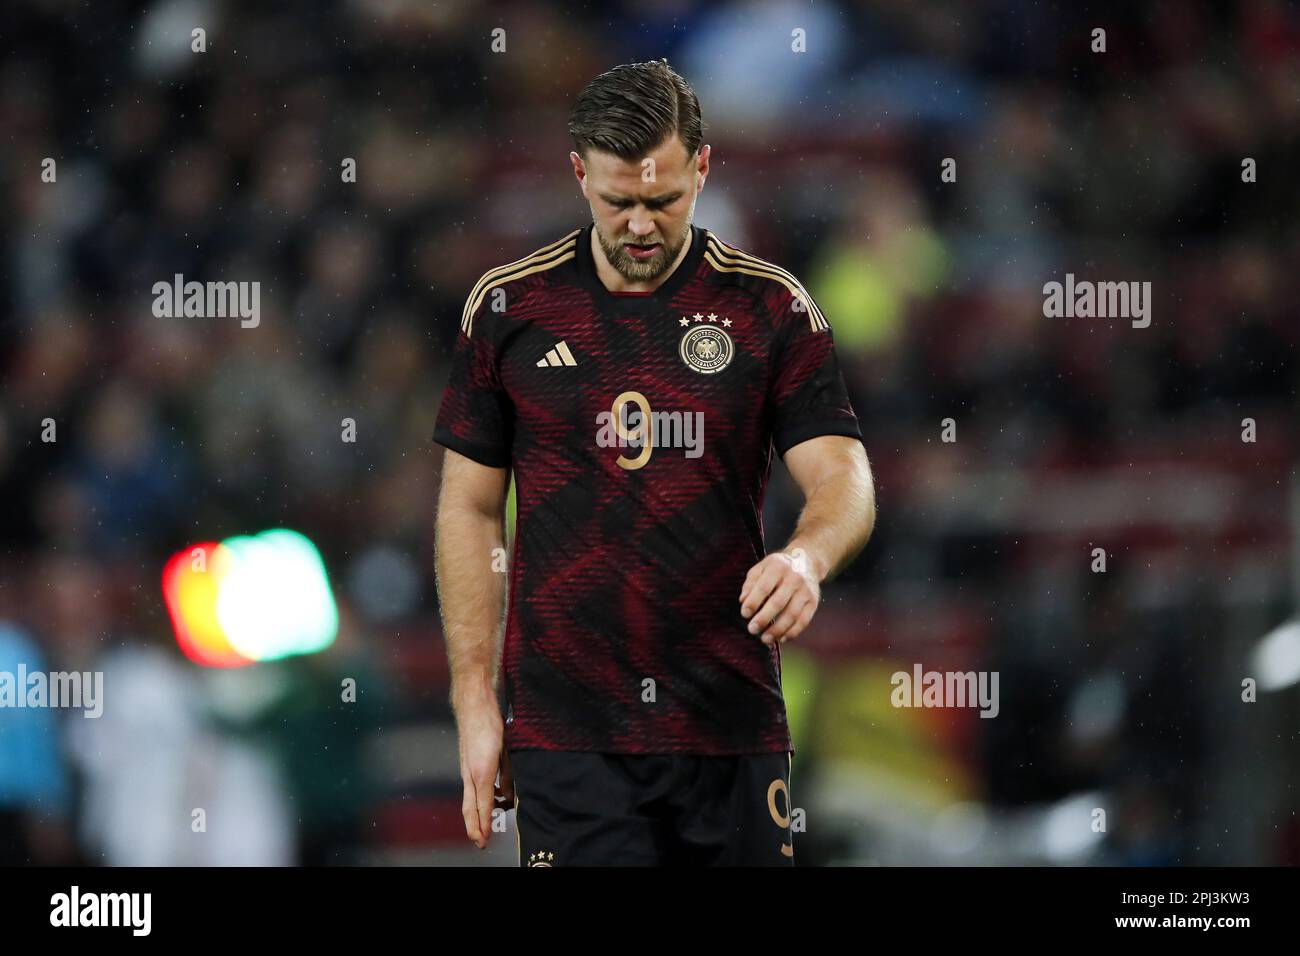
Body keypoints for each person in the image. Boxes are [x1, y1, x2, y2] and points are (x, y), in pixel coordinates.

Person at [432, 59, 876, 866]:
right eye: (619, 202)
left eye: (663, 201)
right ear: (578, 176)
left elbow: (843, 472)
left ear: (703, 169)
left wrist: (807, 559)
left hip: (728, 724)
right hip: (569, 733)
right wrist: (473, 696)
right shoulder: (508, 309)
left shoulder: (769, 309)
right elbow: (467, 507)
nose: (641, 224)